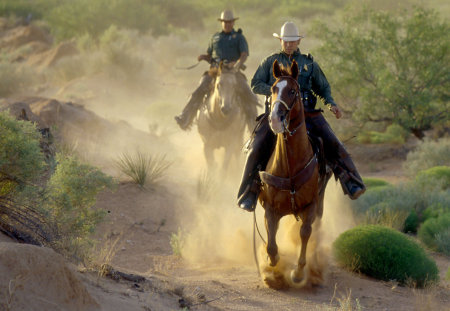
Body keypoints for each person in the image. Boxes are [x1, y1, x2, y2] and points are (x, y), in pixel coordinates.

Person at [237, 21, 366, 212]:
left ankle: (352, 181)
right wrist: (275, 91)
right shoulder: (269, 61)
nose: (289, 44)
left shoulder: (308, 64)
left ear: (298, 41)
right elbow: (255, 83)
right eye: (285, 41)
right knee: (255, 146)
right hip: (277, 113)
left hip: (308, 113)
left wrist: (331, 104)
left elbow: (323, 87)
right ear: (280, 41)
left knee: (333, 142)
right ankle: (248, 192)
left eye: (292, 41)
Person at [175, 10, 259, 130]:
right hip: (215, 72)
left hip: (233, 73)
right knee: (198, 90)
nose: (227, 24)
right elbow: (210, 55)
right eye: (225, 22)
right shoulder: (215, 37)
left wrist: (237, 63)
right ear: (222, 22)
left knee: (248, 94)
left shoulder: (239, 38)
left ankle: (254, 128)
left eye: (229, 22)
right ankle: (185, 117)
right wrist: (204, 57)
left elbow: (244, 54)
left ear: (233, 23)